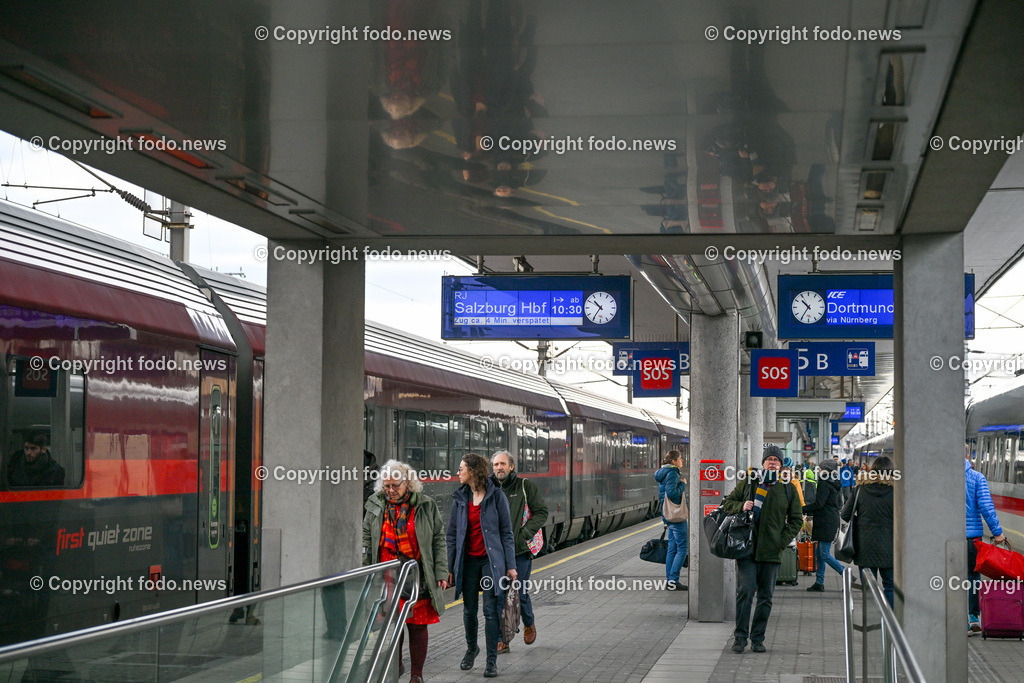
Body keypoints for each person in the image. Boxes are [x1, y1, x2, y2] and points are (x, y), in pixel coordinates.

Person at [363, 460, 449, 683]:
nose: (391, 491)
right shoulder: (375, 504)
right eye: (387, 486)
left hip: (416, 575)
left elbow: (439, 538)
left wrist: (441, 572)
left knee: (417, 626)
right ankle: (397, 665)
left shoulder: (425, 505)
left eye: (395, 486)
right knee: (394, 625)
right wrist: (366, 570)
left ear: (408, 483)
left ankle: (416, 676)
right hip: (387, 576)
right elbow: (367, 537)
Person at [720, 445, 803, 654]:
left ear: (781, 464)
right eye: (769, 459)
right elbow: (727, 502)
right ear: (763, 462)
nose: (773, 462)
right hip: (747, 549)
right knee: (745, 591)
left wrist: (781, 541)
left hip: (772, 551)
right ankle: (740, 637)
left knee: (766, 597)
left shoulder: (788, 488)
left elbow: (796, 520)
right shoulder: (749, 482)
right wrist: (741, 506)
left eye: (776, 459)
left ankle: (758, 638)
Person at [447, 453, 517, 678]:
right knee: (469, 611)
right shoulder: (460, 498)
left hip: (490, 562)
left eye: (461, 468)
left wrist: (511, 565)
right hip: (468, 562)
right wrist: (449, 567)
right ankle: (471, 649)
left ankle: (491, 661)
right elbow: (451, 535)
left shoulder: (496, 496)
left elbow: (506, 532)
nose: (458, 472)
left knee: (489, 611)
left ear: (473, 471)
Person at [491, 450, 548, 654]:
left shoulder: (525, 486)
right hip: (496, 553)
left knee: (519, 593)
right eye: (496, 465)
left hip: (520, 551)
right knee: (499, 596)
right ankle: (502, 640)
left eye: (503, 464)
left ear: (511, 466)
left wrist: (525, 533)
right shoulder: (489, 488)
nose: (499, 468)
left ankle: (529, 623)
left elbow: (541, 512)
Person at [840, 456, 894, 608]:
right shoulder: (897, 491)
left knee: (869, 587)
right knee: (890, 586)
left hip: (865, 545)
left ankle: (872, 623)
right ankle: (890, 624)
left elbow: (845, 515)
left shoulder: (860, 489)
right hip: (890, 546)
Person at [966, 452, 1005, 634]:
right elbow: (986, 508)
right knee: (973, 577)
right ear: (967, 455)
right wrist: (997, 533)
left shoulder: (940, 479)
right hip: (972, 538)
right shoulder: (977, 478)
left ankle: (952, 615)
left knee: (946, 577)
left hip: (946, 538)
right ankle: (973, 616)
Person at [803, 459, 845, 591]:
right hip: (829, 519)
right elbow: (839, 503)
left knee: (824, 554)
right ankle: (819, 583)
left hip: (826, 521)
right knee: (819, 554)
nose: (819, 470)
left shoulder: (824, 483)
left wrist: (802, 509)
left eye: (820, 469)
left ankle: (846, 574)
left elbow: (819, 503)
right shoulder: (834, 483)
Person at [654, 450, 688, 591]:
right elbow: (672, 493)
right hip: (676, 516)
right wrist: (683, 484)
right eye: (680, 458)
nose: (682, 461)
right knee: (682, 549)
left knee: (672, 550)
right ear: (673, 461)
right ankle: (673, 579)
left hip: (668, 515)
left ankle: (670, 581)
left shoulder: (663, 472)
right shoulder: (673, 473)